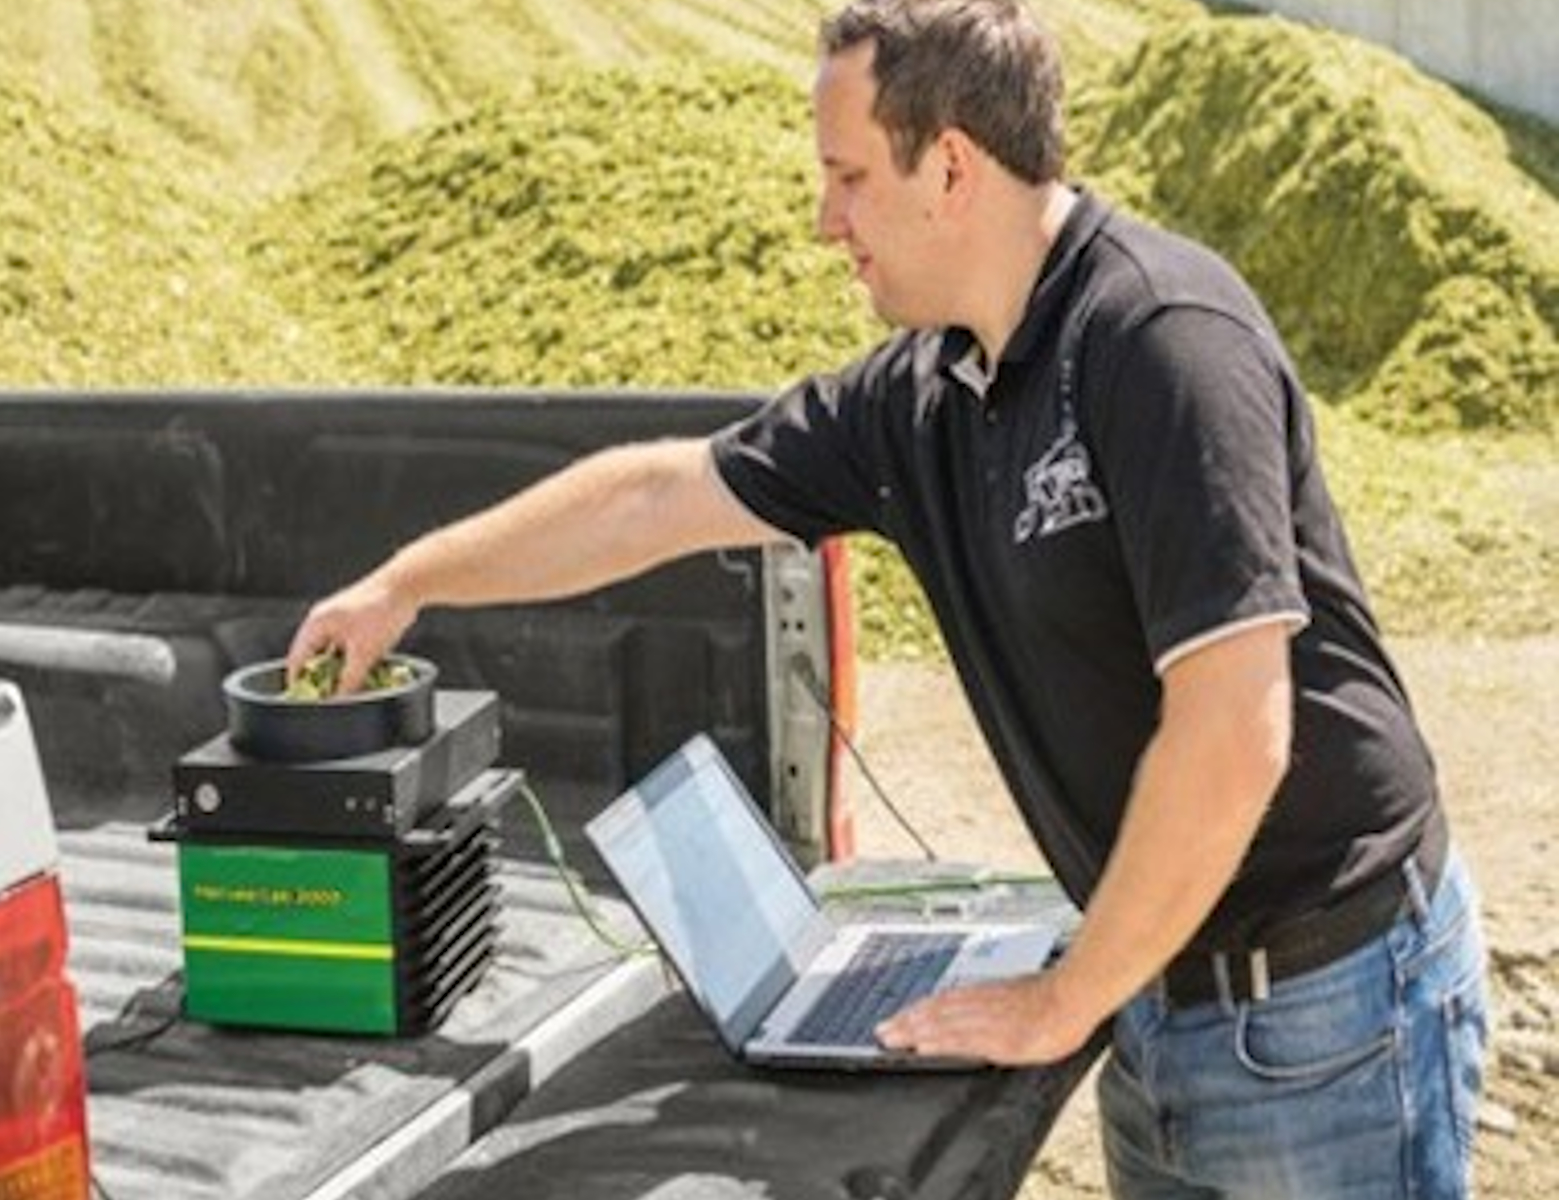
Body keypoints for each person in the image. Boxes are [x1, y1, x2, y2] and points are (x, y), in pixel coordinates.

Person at [287, 1, 1489, 1195]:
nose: (825, 220)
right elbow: (655, 498)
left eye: (848, 176)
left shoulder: (1162, 341)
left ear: (951, 167)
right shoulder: (919, 397)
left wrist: (1062, 999)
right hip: (1152, 983)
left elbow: (1234, 731)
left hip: (1325, 1016)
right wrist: (408, 584)